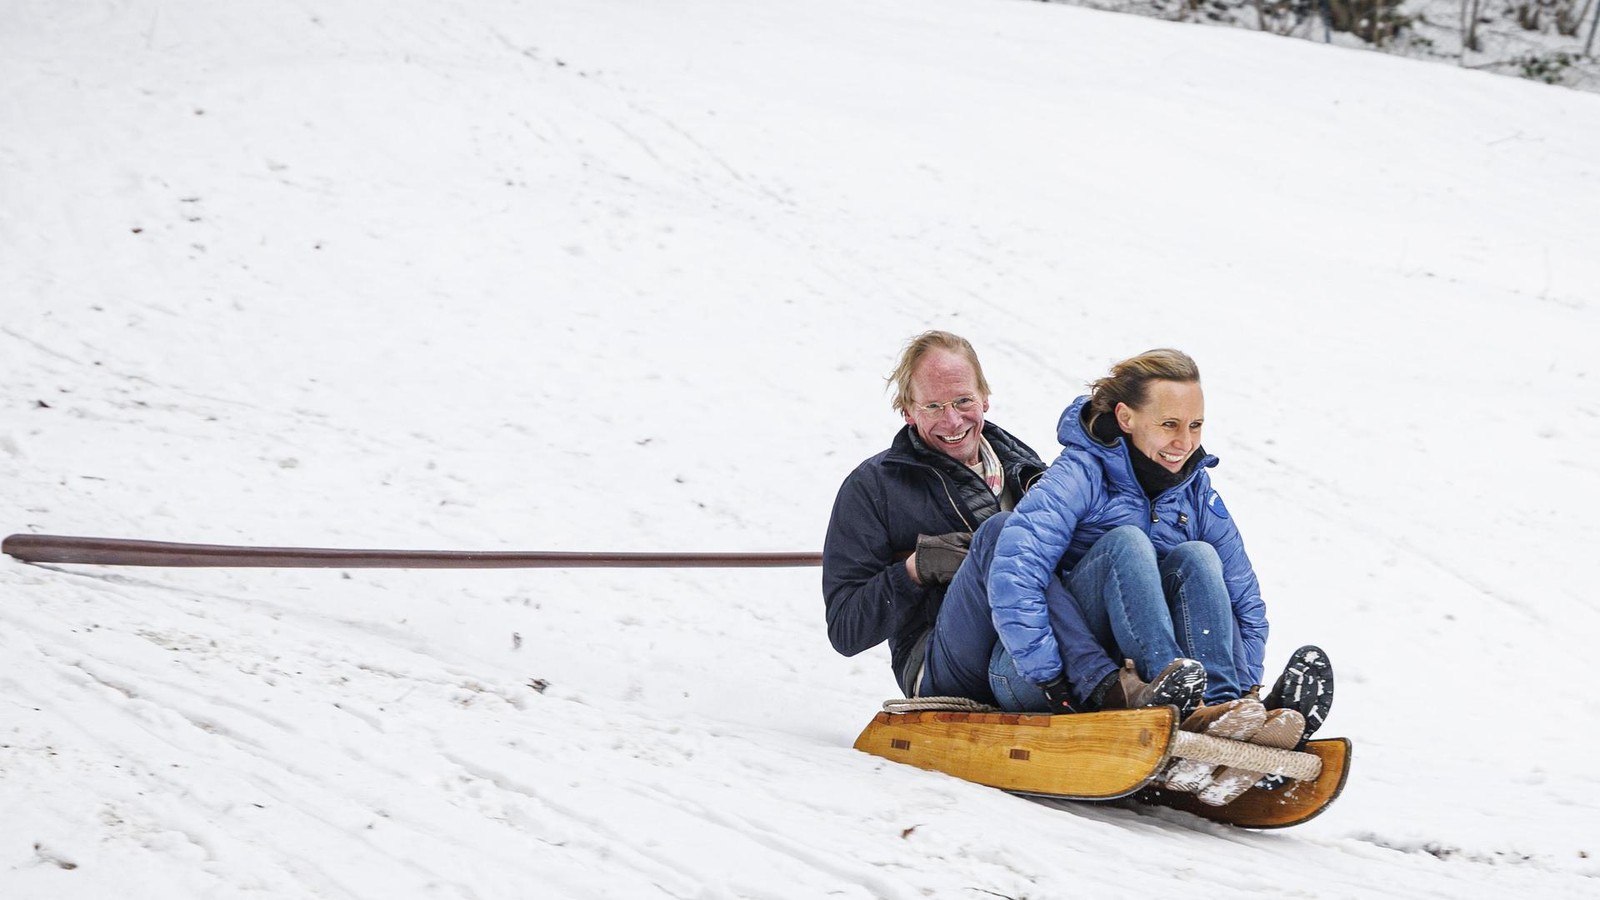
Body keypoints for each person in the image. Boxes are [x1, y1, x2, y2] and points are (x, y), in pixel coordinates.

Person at [975, 348, 1334, 805]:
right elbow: (1016, 571)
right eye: (1169, 424)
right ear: (1125, 418)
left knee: (1198, 557)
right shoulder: (1079, 473)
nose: (1184, 441)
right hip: (1048, 673)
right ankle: (1179, 700)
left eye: (1195, 425)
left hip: (1136, 680)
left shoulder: (1194, 490)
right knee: (1126, 543)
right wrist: (1051, 677)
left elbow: (1244, 599)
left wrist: (1246, 682)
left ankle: (1226, 710)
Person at [822, 332, 1204, 715]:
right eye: (933, 406)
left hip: (1035, 650)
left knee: (1121, 544)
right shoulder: (874, 486)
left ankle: (1189, 690)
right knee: (1002, 533)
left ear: (984, 397)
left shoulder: (1024, 467)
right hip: (948, 663)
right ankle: (1104, 685)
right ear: (908, 410)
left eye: (963, 401)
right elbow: (845, 630)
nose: (952, 419)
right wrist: (913, 571)